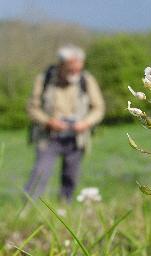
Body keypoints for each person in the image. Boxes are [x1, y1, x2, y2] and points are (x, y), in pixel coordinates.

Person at [25, 45, 105, 201]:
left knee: (71, 176)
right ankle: (27, 210)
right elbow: (32, 108)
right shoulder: (45, 79)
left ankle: (64, 208)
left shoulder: (86, 80)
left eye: (78, 69)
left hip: (76, 137)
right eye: (71, 69)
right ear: (61, 65)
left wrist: (86, 123)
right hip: (48, 137)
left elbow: (99, 108)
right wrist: (48, 122)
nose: (75, 72)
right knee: (40, 173)